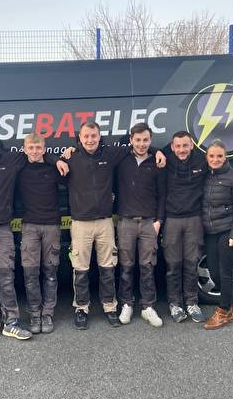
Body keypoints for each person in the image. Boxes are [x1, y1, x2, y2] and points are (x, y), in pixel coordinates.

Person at [0, 126, 67, 340]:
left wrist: (57, 159)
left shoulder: (10, 159)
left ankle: (11, 321)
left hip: (3, 227)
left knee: (6, 276)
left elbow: (37, 154)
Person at [62, 121, 165, 330]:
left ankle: (110, 307)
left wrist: (157, 151)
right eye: (86, 136)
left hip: (105, 222)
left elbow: (139, 145)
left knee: (108, 267)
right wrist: (61, 155)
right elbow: (44, 159)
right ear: (79, 138)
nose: (90, 139)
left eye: (94, 135)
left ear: (100, 137)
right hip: (80, 223)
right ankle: (81, 308)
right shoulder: (71, 158)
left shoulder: (110, 154)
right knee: (80, 269)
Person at [162, 131, 233, 324]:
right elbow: (146, 152)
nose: (182, 149)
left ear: (192, 145)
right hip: (177, 221)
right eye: (178, 146)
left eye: (185, 145)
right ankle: (175, 304)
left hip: (199, 221)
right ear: (172, 147)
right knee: (173, 265)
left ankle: (194, 304)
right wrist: (157, 151)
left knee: (192, 264)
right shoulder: (166, 160)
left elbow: (230, 170)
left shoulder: (202, 163)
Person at [116, 123, 166, 327]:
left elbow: (162, 194)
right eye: (137, 140)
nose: (141, 144)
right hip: (126, 221)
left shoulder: (157, 162)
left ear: (150, 140)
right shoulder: (121, 160)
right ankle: (126, 304)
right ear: (131, 140)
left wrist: (159, 221)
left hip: (148, 223)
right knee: (126, 267)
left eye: (146, 140)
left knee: (147, 267)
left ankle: (148, 307)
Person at [18, 133, 64, 334]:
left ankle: (47, 314)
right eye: (31, 147)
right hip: (29, 226)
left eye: (38, 148)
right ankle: (34, 314)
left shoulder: (54, 168)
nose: (35, 151)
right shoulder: (19, 169)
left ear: (44, 149)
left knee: (50, 272)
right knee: (30, 273)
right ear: (24, 149)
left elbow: (77, 179)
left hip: (52, 226)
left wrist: (57, 160)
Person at [201, 139, 233, 330]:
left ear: (225, 156)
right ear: (206, 157)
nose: (215, 159)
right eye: (212, 156)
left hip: (229, 231)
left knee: (226, 273)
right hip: (212, 232)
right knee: (214, 273)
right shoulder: (205, 174)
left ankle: (223, 312)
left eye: (219, 156)